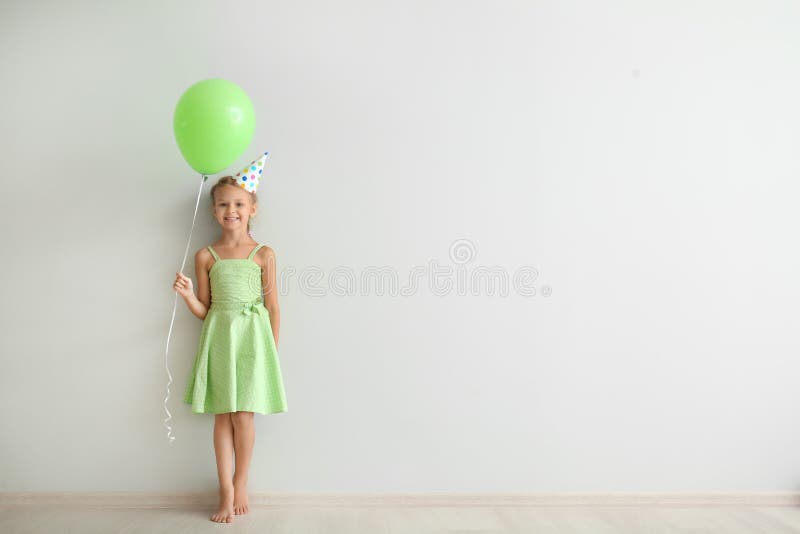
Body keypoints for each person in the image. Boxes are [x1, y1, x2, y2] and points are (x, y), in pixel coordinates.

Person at [172, 167, 287, 523]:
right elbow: (205, 311)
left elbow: (273, 307)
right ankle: (225, 491)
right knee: (223, 415)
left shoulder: (264, 254)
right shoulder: (207, 256)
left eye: (239, 203)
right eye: (223, 204)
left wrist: (272, 351)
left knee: (243, 415)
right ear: (214, 211)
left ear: (252, 208)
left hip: (254, 341)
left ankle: (241, 482)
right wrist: (189, 296)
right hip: (220, 338)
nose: (230, 210)